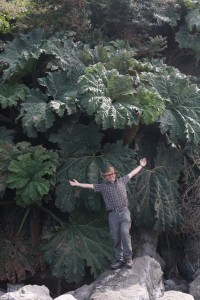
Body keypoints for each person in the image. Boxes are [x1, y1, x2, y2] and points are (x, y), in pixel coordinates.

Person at [69, 158, 147, 269]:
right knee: (115, 237)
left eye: (112, 174)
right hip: (112, 215)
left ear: (115, 175)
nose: (111, 176)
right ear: (106, 177)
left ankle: (128, 259)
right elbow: (90, 186)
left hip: (124, 212)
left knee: (125, 233)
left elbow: (132, 173)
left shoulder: (122, 181)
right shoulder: (103, 187)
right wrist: (78, 184)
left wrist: (141, 166)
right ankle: (119, 260)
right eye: (108, 175)